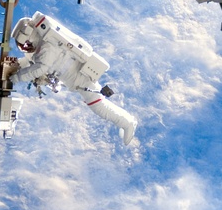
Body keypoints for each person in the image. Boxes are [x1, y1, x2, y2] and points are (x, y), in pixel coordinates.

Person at [8, 11, 137, 145]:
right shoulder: (42, 46)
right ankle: (126, 121)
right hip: (76, 79)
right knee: (99, 105)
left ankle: (128, 123)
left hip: (82, 79)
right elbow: (30, 62)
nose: (26, 48)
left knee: (99, 107)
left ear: (31, 36)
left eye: (26, 44)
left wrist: (17, 77)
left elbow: (41, 68)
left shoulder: (47, 46)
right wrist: (13, 65)